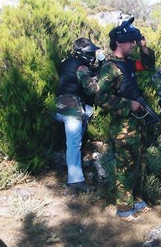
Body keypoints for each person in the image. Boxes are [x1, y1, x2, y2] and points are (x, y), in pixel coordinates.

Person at [95, 17, 155, 222]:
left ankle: (135, 200)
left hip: (136, 125)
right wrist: (128, 105)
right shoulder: (111, 67)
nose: (132, 45)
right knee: (126, 167)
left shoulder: (128, 65)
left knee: (139, 163)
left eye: (133, 42)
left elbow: (148, 64)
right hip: (123, 127)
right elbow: (100, 97)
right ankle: (123, 209)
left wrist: (143, 45)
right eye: (130, 42)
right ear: (119, 43)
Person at [54, 37, 102, 192]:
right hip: (71, 107)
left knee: (87, 111)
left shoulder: (66, 61)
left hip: (58, 104)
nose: (92, 55)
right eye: (90, 52)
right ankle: (75, 181)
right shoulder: (81, 66)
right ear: (83, 52)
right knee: (74, 144)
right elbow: (91, 89)